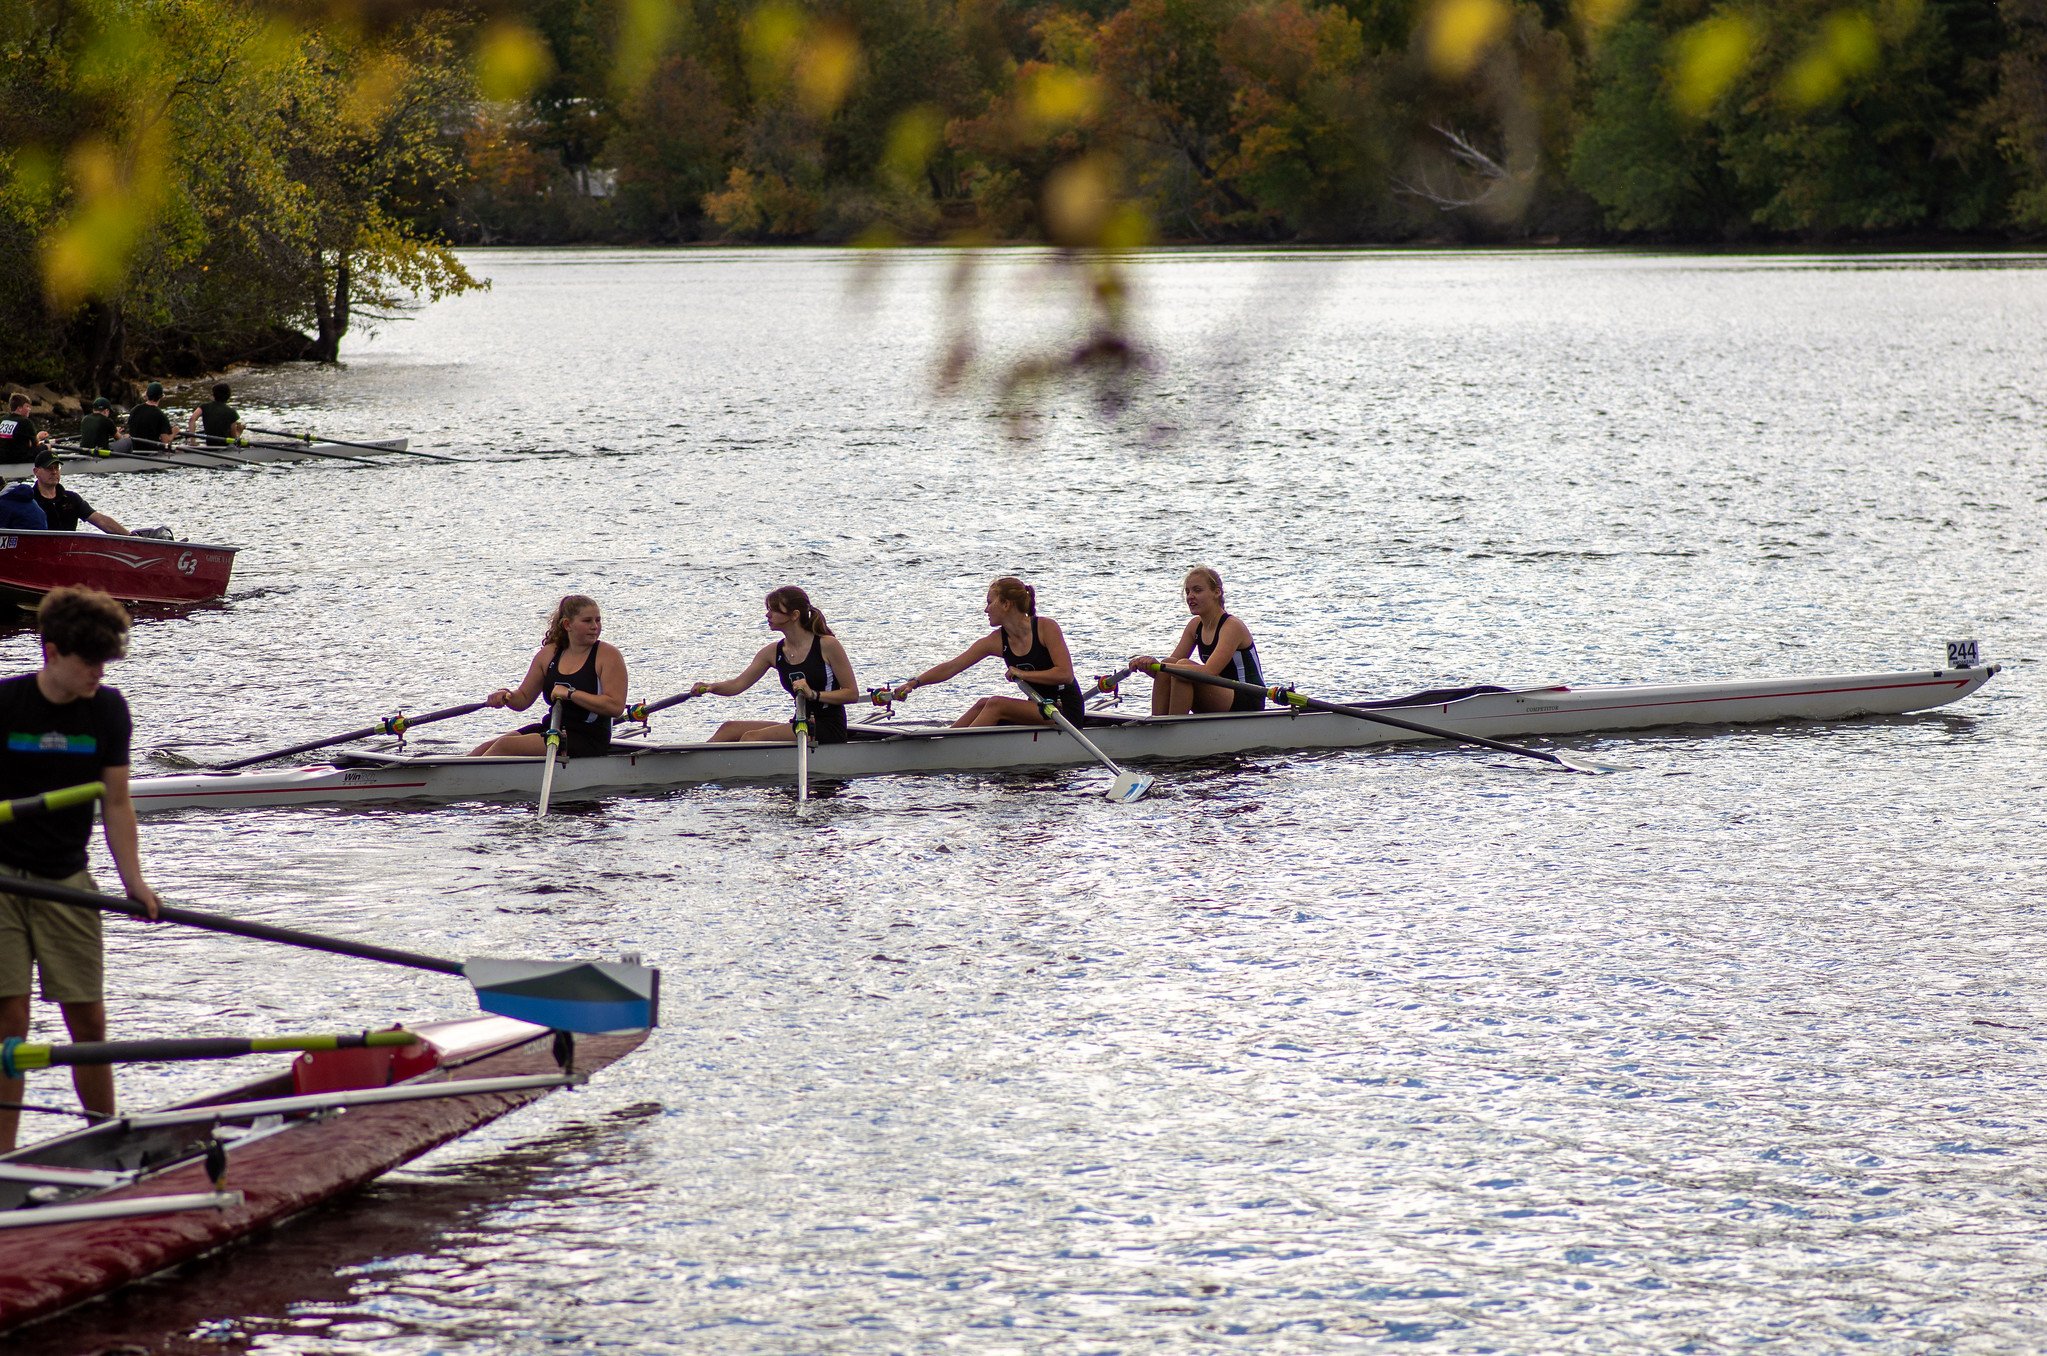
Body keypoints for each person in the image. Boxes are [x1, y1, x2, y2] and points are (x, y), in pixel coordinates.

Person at [0, 587, 161, 1152]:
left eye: (104, 661)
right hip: (2, 881)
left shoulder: (107, 710)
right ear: (50, 652)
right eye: (87, 661)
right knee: (7, 1030)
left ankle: (106, 1147)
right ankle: (5, 1165)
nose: (98, 672)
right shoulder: (6, 705)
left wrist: (134, 883)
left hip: (68, 881)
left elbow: (116, 803)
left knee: (88, 1026)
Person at [889, 575, 1085, 728]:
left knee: (996, 704)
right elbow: (952, 666)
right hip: (1040, 706)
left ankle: (958, 751)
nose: (986, 610)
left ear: (1006, 604)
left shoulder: (1045, 628)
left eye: (990, 602)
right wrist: (914, 683)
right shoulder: (996, 640)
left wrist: (1022, 673)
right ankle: (945, 743)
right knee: (983, 703)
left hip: (1063, 710)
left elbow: (1065, 674)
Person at [691, 587, 860, 744]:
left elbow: (851, 694)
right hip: (800, 722)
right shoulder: (772, 652)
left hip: (827, 726)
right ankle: (698, 769)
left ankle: (738, 771)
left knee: (751, 738)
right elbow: (737, 685)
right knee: (729, 729)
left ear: (794, 615)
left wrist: (813, 694)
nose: (767, 615)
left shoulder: (827, 645)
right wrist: (711, 687)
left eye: (773, 610)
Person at [471, 595, 628, 758]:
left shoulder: (608, 655)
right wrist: (506, 696)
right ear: (567, 625)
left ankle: (469, 781)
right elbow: (523, 698)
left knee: (505, 746)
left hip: (587, 737)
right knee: (483, 749)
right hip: (552, 729)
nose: (595, 626)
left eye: (598, 620)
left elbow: (615, 707)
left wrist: (570, 694)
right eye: (587, 621)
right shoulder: (549, 654)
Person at [1129, 566, 1266, 715]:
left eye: (1197, 590)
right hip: (1220, 693)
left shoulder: (1232, 626)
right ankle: (1157, 724)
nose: (1190, 596)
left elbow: (1209, 671)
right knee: (1171, 662)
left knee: (1182, 667)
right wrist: (1148, 667)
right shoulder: (1194, 626)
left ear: (1216, 592)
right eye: (1188, 592)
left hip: (1248, 698)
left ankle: (1173, 729)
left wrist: (1161, 666)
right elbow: (1167, 670)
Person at [30, 450, 130, 535]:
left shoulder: (72, 498)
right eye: (49, 468)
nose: (54, 472)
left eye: (56, 467)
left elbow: (101, 521)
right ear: (36, 472)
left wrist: (131, 537)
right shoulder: (28, 500)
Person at [122, 382, 174, 454]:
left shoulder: (135, 409)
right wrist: (175, 432)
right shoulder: (161, 415)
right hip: (150, 453)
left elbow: (129, 431)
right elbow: (166, 443)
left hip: (134, 451)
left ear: (146, 395)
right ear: (161, 397)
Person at [0, 394, 49, 464]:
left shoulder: (2, 419)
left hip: (2, 458)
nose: (29, 409)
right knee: (47, 446)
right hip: (17, 458)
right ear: (19, 408)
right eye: (27, 406)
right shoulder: (25, 422)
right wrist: (39, 437)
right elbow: (36, 444)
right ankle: (50, 469)